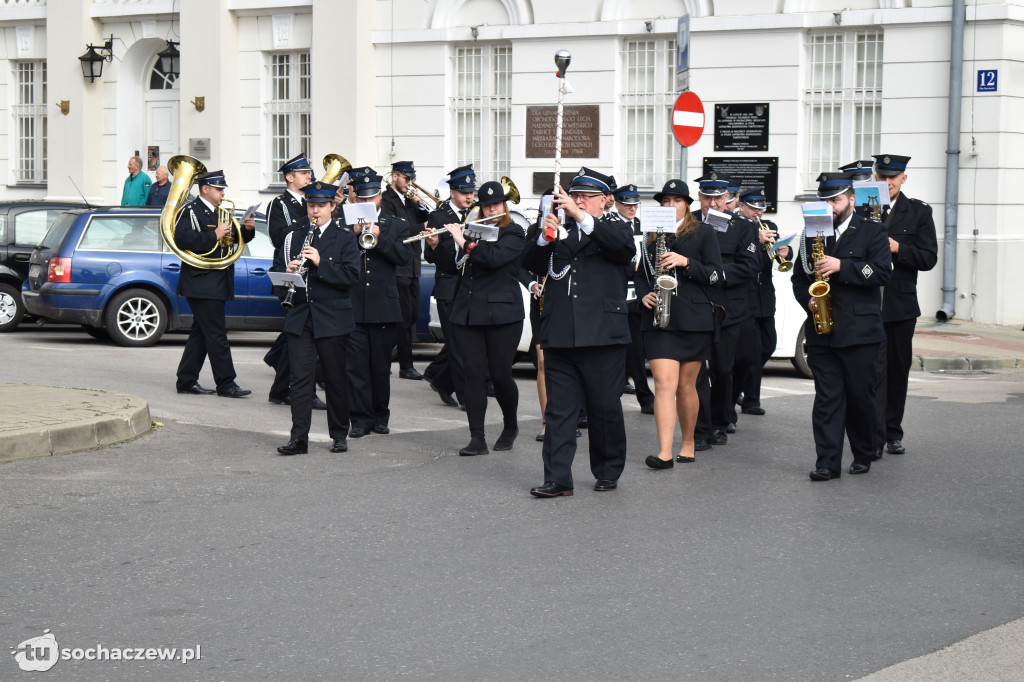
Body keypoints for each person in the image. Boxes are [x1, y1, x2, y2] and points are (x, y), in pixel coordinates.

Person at [522, 167, 635, 497]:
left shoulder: (615, 229)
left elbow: (622, 250)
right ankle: (558, 478)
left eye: (586, 197)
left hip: (602, 334)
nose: (578, 202)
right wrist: (544, 237)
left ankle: (607, 469)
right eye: (575, 196)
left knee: (604, 408)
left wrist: (582, 219)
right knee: (559, 411)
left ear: (604, 201)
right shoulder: (560, 231)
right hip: (561, 332)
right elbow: (531, 262)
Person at [791, 172, 892, 481]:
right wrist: (807, 302)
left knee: (861, 397)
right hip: (823, 331)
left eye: (835, 200)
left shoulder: (872, 231)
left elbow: (882, 273)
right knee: (827, 398)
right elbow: (799, 278)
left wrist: (842, 266)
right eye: (824, 201)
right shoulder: (813, 231)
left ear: (851, 199)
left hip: (860, 332)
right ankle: (827, 463)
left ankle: (863, 451)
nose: (830, 207)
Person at [426, 180, 526, 456]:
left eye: (496, 204)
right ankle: (477, 437)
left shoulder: (513, 232)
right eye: (486, 205)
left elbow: (493, 258)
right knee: (472, 374)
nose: (491, 208)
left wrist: (462, 241)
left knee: (500, 374)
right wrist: (436, 246)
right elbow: (452, 267)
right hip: (468, 312)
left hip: (502, 314)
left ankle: (510, 425)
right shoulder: (473, 231)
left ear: (504, 205)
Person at [634, 180, 724, 468]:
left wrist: (686, 262)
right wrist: (642, 294)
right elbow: (638, 273)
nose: (669, 206)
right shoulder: (650, 233)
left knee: (686, 387)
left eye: (676, 201)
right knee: (663, 384)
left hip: (692, 319)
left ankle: (688, 443)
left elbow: (716, 276)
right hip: (659, 318)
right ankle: (663, 452)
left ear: (687, 204)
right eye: (665, 201)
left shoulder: (703, 232)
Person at [275, 181, 360, 456]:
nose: (315, 211)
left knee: (335, 378)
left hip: (333, 318)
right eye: (311, 205)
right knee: (300, 380)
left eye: (321, 206)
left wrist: (322, 263)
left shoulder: (345, 236)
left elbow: (351, 277)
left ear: (333, 207)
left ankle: (338, 435)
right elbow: (275, 277)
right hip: (301, 317)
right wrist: (288, 274)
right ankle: (299, 438)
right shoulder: (294, 236)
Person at [871, 154, 938, 458]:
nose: (886, 183)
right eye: (881, 177)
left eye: (891, 179)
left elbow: (928, 258)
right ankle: (872, 435)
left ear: (903, 179)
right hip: (868, 304)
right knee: (872, 373)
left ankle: (892, 432)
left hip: (899, 307)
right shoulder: (862, 208)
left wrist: (900, 249)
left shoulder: (918, 212)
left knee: (897, 372)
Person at [173, 169, 256, 398]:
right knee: (217, 334)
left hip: (218, 280)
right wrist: (214, 236)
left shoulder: (221, 212)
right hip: (201, 282)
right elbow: (182, 240)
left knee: (201, 334)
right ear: (205, 189)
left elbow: (232, 240)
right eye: (219, 189)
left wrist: (247, 230)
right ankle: (226, 383)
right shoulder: (189, 211)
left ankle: (186, 380)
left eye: (222, 189)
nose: (222, 193)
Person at [691, 172, 759, 447]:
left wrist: (713, 273)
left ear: (727, 198)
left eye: (718, 197)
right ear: (700, 197)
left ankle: (720, 421)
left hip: (729, 309)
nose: (713, 203)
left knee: (721, 369)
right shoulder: (689, 222)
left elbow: (749, 266)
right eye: (707, 197)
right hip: (695, 307)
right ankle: (700, 429)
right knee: (694, 374)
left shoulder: (743, 227)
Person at [345, 172, 412, 438]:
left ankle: (380, 416)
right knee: (356, 367)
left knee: (380, 367)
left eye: (372, 196)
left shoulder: (396, 224)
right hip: (354, 304)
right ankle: (360, 420)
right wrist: (354, 235)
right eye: (362, 197)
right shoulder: (346, 222)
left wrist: (380, 237)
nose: (367, 201)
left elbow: (404, 258)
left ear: (380, 196)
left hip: (383, 305)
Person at [263, 154, 325, 411]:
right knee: (302, 336)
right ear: (290, 177)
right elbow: (279, 237)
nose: (309, 176)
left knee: (297, 334)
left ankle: (279, 389)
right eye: (304, 173)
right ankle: (304, 393)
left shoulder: (313, 202)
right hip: (290, 274)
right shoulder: (279, 204)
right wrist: (311, 217)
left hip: (314, 274)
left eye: (309, 172)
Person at [730, 187, 792, 418]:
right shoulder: (735, 225)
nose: (758, 212)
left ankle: (742, 387)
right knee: (752, 350)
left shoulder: (769, 227)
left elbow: (775, 254)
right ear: (742, 206)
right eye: (754, 208)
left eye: (761, 208)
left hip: (764, 295)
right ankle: (751, 400)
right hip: (745, 296)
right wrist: (756, 238)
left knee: (768, 345)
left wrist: (786, 252)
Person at [423, 164, 475, 408]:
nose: (469, 197)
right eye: (464, 192)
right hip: (448, 287)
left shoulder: (475, 214)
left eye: (471, 192)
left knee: (466, 342)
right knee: (457, 344)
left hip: (470, 287)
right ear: (452, 192)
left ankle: (439, 377)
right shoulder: (438, 217)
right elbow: (434, 258)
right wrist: (433, 245)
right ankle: (467, 397)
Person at [380, 161, 431, 381]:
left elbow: (423, 218)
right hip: (398, 264)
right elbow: (397, 229)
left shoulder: (410, 200)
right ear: (394, 177)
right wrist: (424, 227)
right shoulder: (386, 200)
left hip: (412, 265)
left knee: (411, 315)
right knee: (402, 318)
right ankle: (405, 366)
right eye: (406, 179)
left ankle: (382, 356)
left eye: (412, 179)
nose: (411, 183)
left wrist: (420, 205)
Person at [612, 183, 655, 415]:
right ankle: (627, 391)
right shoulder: (611, 225)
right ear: (617, 204)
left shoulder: (643, 225)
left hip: (638, 293)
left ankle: (644, 396)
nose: (632, 208)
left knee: (637, 349)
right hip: (619, 291)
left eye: (635, 204)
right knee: (620, 348)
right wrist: (632, 267)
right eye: (627, 204)